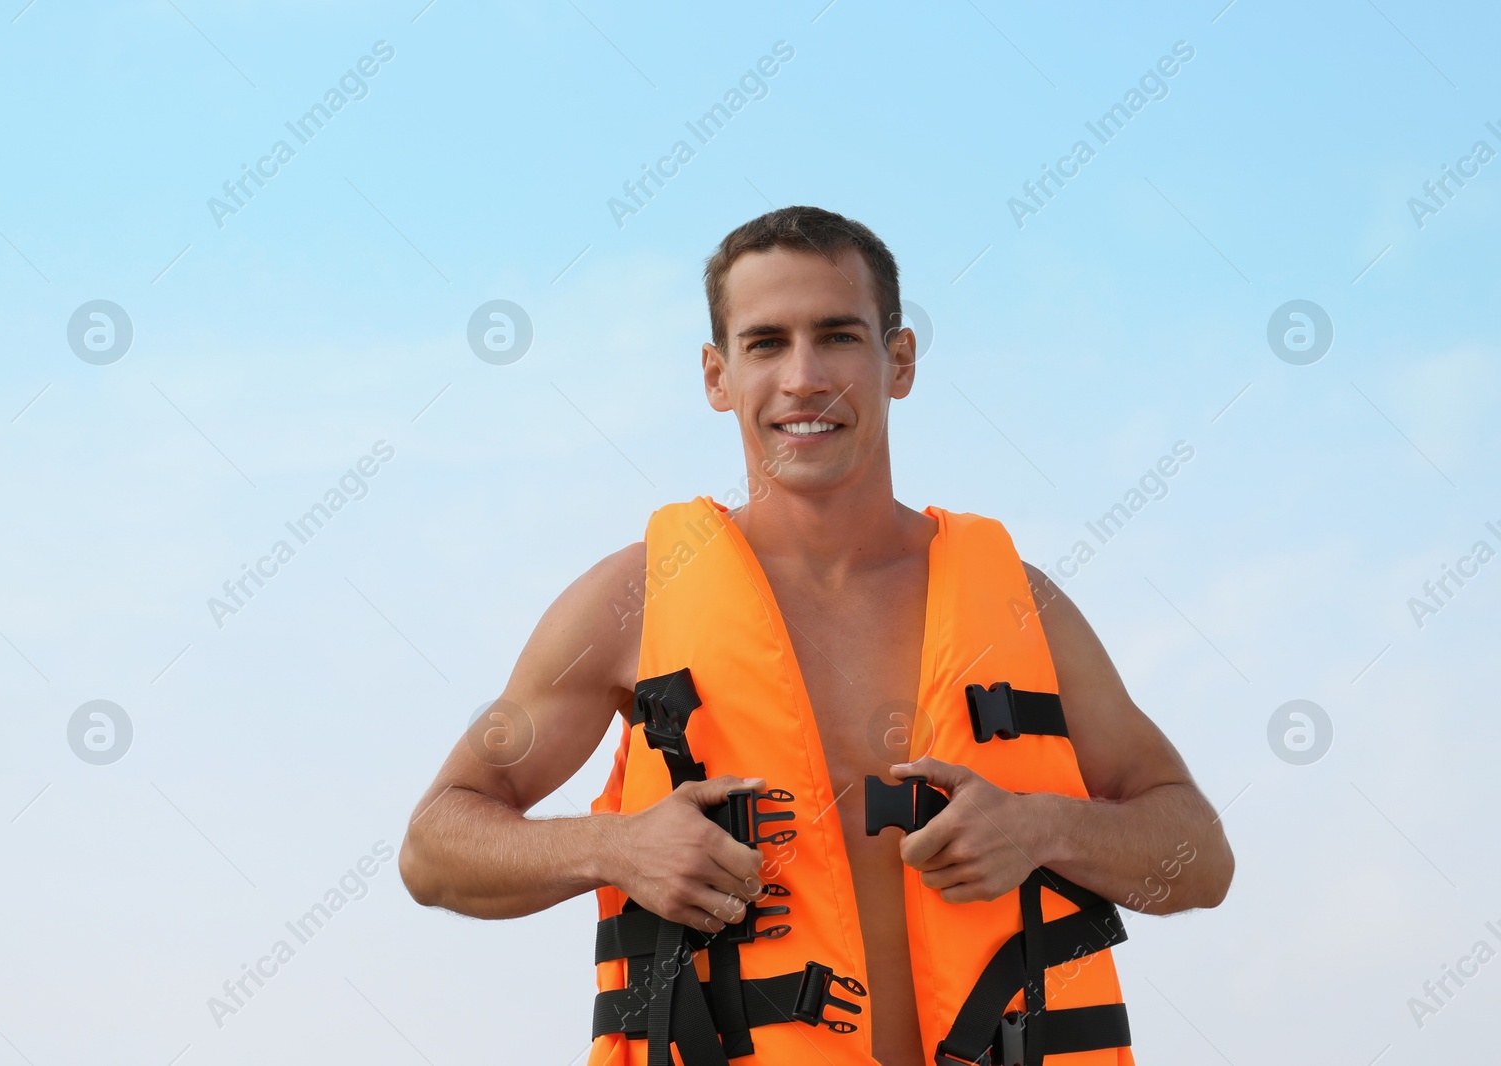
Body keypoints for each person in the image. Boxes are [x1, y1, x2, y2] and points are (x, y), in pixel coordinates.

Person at [398, 206, 1235, 1066]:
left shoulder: (1018, 602)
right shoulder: (635, 600)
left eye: (837, 337)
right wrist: (615, 846)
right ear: (717, 376)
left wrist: (1044, 829)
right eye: (765, 343)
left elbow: (1200, 855)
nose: (804, 379)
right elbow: (434, 845)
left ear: (897, 361)